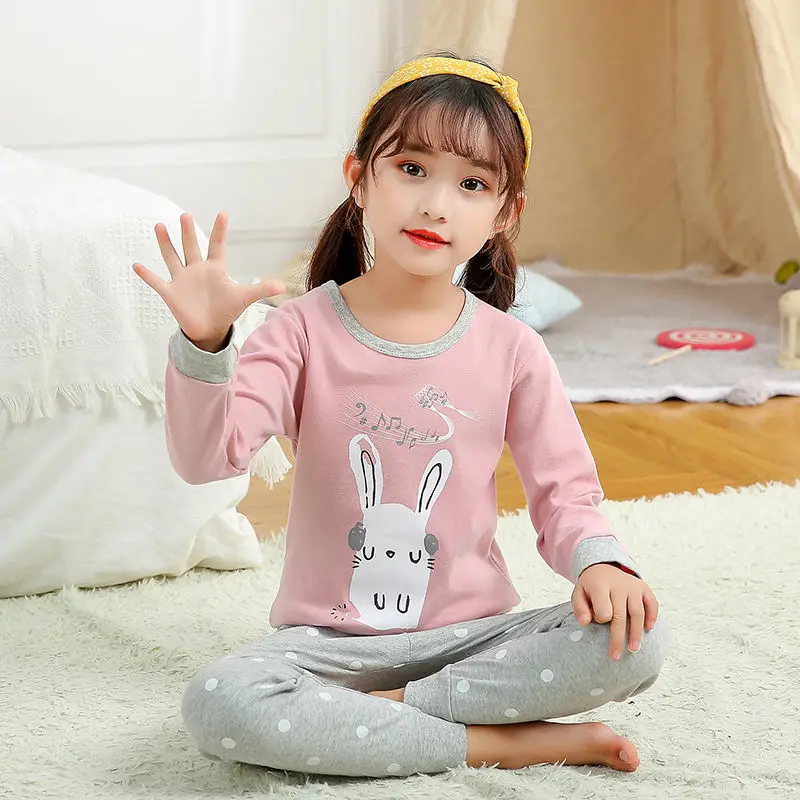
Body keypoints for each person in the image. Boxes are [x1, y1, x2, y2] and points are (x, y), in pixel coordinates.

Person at [133, 52, 668, 779]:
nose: (436, 205)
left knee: (638, 638)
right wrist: (205, 347)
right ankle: (505, 743)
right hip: (327, 649)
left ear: (505, 213)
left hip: (473, 640)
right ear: (359, 180)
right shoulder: (298, 331)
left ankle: (381, 717)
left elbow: (565, 494)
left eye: (472, 184)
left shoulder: (513, 348)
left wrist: (600, 561)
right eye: (412, 169)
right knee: (220, 703)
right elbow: (208, 460)